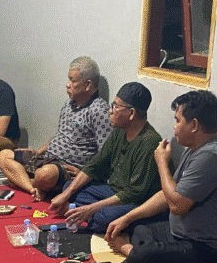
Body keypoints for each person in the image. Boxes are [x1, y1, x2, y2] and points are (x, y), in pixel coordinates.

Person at [105, 90, 217, 263]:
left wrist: (162, 163)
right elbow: (167, 194)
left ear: (194, 125)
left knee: (144, 256)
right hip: (182, 235)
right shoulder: (195, 148)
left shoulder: (212, 155)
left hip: (213, 252)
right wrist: (127, 218)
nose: (174, 127)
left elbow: (176, 205)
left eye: (178, 121)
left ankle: (133, 254)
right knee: (135, 225)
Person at [46, 82, 161, 233]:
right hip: (113, 192)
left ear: (131, 113)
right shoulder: (120, 130)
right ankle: (85, 213)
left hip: (135, 202)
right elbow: (95, 165)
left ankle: (88, 214)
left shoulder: (149, 142)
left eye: (115, 106)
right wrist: (65, 195)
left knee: (104, 217)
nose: (110, 111)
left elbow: (134, 194)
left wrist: (91, 208)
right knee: (69, 186)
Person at [0, 57, 112, 201]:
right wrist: (38, 152)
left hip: (65, 168)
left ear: (88, 85)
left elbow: (105, 153)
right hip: (47, 158)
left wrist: (84, 173)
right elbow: (60, 135)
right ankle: (33, 188)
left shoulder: (99, 111)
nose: (67, 85)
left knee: (44, 174)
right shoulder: (69, 104)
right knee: (3, 156)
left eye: (72, 81)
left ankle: (26, 181)